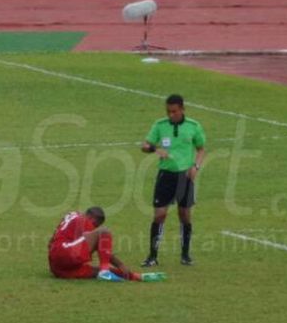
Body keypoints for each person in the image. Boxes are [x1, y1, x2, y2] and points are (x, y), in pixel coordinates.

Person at [140, 94, 206, 267]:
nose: (171, 114)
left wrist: (196, 167)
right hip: (166, 175)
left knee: (184, 215)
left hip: (185, 176)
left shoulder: (193, 127)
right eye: (168, 111)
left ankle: (185, 255)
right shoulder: (160, 125)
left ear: (182, 109)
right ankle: (152, 256)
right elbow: (144, 146)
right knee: (160, 215)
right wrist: (155, 149)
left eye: (174, 111)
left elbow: (201, 149)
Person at [48, 207, 165, 282]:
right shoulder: (84, 220)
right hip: (65, 253)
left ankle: (137, 277)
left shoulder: (72, 216)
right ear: (91, 218)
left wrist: (130, 273)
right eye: (95, 224)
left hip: (58, 268)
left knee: (95, 271)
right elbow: (101, 244)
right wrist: (120, 264)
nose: (94, 227)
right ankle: (105, 272)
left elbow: (51, 242)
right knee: (104, 232)